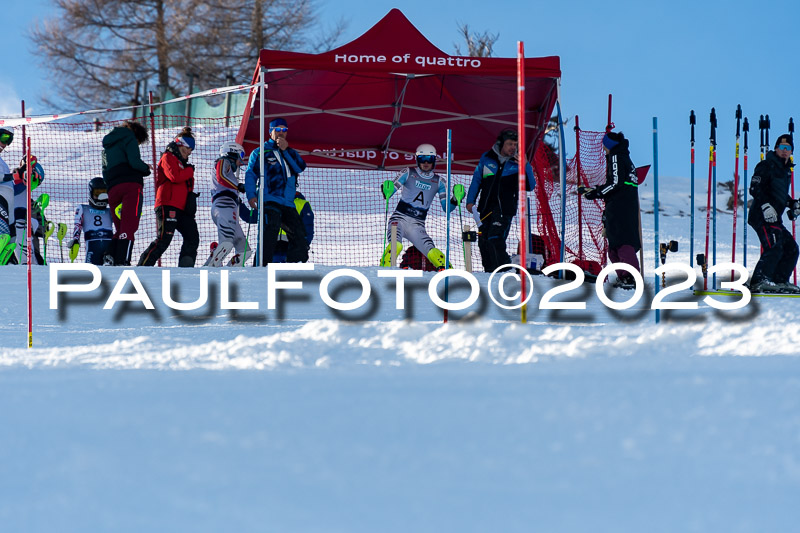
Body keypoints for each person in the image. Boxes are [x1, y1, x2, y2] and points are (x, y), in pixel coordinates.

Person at [465, 129, 535, 272]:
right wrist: (470, 201)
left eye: (515, 145)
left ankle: (505, 270)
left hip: (504, 210)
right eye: (510, 144)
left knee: (495, 238)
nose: (513, 148)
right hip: (485, 208)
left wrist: (525, 165)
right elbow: (477, 180)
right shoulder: (487, 158)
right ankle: (490, 273)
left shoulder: (518, 163)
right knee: (483, 242)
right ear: (501, 144)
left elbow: (530, 186)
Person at [580, 131, 641, 289]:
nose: (603, 149)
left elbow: (615, 183)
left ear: (608, 145)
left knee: (622, 242)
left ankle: (630, 277)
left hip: (620, 207)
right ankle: (624, 277)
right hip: (623, 206)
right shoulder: (624, 157)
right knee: (615, 244)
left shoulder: (616, 157)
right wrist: (595, 190)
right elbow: (618, 183)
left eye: (604, 145)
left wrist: (596, 193)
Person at [244, 117, 308, 265]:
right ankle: (260, 267)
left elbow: (300, 167)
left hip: (288, 202)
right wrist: (251, 194)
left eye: (284, 130)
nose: (281, 133)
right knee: (269, 232)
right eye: (277, 129)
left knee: (299, 235)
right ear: (270, 132)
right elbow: (250, 174)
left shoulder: (290, 152)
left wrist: (286, 150)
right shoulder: (260, 151)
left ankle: (294, 267)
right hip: (270, 199)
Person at [380, 143, 449, 269]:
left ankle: (448, 271)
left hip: (417, 225)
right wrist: (387, 188)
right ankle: (384, 267)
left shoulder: (440, 181)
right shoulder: (408, 172)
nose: (426, 162)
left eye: (430, 159)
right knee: (396, 245)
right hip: (399, 219)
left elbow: (447, 208)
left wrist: (455, 199)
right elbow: (389, 193)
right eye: (423, 159)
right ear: (417, 160)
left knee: (430, 250)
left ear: (434, 161)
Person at [138, 127, 200, 267]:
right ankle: (143, 266)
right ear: (180, 145)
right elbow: (174, 176)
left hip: (182, 208)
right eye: (187, 149)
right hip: (168, 204)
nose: (189, 153)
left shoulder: (184, 164)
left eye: (191, 150)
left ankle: (186, 268)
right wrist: (189, 170)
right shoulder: (167, 157)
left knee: (192, 236)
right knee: (164, 239)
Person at [747, 133, 800, 293]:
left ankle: (779, 280)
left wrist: (792, 204)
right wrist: (765, 206)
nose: (785, 151)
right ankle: (759, 281)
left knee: (792, 248)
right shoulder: (766, 165)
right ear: (776, 148)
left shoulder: (785, 171)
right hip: (761, 216)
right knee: (774, 246)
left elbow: (780, 195)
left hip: (774, 219)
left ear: (791, 151)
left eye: (788, 148)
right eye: (782, 147)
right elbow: (755, 188)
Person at [101, 120, 150, 265]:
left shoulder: (108, 145)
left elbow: (105, 171)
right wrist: (146, 169)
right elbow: (134, 161)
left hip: (113, 189)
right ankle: (123, 261)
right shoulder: (130, 137)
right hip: (131, 186)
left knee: (121, 227)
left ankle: (110, 256)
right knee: (129, 227)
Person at [209, 141, 252, 266]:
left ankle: (228, 269)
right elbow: (221, 177)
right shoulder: (223, 161)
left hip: (230, 207)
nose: (240, 161)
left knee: (245, 251)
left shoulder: (230, 173)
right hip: (223, 204)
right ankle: (211, 265)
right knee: (226, 242)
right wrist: (238, 186)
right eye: (241, 156)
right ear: (232, 153)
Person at [67, 178, 113, 265]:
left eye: (104, 193)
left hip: (109, 246)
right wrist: (75, 239)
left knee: (110, 271)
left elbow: (121, 224)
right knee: (90, 270)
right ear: (91, 193)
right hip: (92, 244)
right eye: (97, 194)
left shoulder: (110, 211)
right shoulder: (83, 208)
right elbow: (78, 225)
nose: (101, 197)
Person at [12, 155, 47, 265]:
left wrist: (36, 225)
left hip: (31, 247)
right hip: (13, 242)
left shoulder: (32, 204)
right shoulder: (12, 186)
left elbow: (44, 229)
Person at [273, 191, 314, 263]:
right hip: (294, 246)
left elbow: (251, 218)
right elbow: (309, 227)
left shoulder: (271, 201)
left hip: (272, 246)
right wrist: (305, 244)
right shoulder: (303, 204)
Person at [0, 128, 16, 253]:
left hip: (7, 207)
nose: (5, 144)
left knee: (10, 236)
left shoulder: (3, 163)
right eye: (4, 138)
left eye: (9, 140)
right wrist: (12, 176)